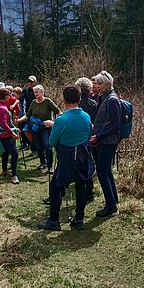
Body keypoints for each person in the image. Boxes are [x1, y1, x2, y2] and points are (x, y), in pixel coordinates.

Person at [38, 85, 94, 231]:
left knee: (56, 187)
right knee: (81, 185)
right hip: (82, 156)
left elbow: (51, 142)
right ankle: (79, 219)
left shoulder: (61, 120)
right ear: (80, 99)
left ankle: (54, 221)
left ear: (64, 100)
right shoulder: (86, 117)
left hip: (67, 158)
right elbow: (88, 136)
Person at [90, 71, 121, 217]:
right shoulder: (104, 97)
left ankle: (111, 208)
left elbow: (116, 124)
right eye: (97, 83)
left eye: (100, 83)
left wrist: (99, 135)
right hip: (103, 139)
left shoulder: (112, 100)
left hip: (108, 141)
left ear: (109, 84)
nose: (98, 86)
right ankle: (113, 200)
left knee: (102, 172)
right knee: (106, 171)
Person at [17, 84, 62, 172]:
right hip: (36, 128)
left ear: (42, 92)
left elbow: (58, 111)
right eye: (34, 92)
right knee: (38, 146)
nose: (35, 94)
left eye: (37, 92)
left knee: (47, 145)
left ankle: (50, 165)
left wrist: (61, 120)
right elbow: (28, 115)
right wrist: (20, 120)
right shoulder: (33, 103)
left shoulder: (47, 101)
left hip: (46, 127)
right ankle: (43, 162)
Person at [75, 77, 98, 203]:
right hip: (91, 136)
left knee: (78, 163)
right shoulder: (94, 104)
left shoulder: (76, 105)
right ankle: (89, 191)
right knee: (88, 163)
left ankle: (80, 187)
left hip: (79, 138)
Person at [0, 88, 20, 184]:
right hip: (6, 136)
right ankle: (14, 176)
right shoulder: (2, 108)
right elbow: (3, 124)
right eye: (9, 95)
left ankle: (5, 170)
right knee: (15, 154)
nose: (10, 97)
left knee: (5, 152)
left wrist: (14, 128)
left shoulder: (1, 105)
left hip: (6, 134)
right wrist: (12, 132)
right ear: (5, 96)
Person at [18, 76, 38, 153]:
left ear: (35, 82)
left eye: (31, 82)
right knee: (27, 130)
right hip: (29, 114)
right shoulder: (26, 91)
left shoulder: (38, 90)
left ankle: (36, 149)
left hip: (37, 114)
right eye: (29, 81)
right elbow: (20, 99)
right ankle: (32, 147)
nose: (30, 83)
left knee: (35, 132)